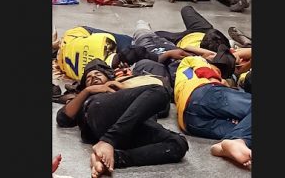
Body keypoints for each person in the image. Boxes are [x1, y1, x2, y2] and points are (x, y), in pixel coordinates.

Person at [56, 59, 189, 177]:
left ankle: (113, 159)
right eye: (89, 78)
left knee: (178, 144)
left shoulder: (124, 88)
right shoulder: (88, 96)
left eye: (98, 74)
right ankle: (107, 141)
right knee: (158, 91)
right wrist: (88, 91)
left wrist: (125, 89)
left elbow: (162, 107)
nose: (93, 77)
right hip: (100, 113)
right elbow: (62, 118)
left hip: (129, 129)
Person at [174, 53, 251, 168]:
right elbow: (198, 61)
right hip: (203, 93)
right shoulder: (193, 62)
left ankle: (226, 146)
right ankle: (237, 140)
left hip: (189, 122)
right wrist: (215, 79)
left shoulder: (180, 81)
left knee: (247, 127)